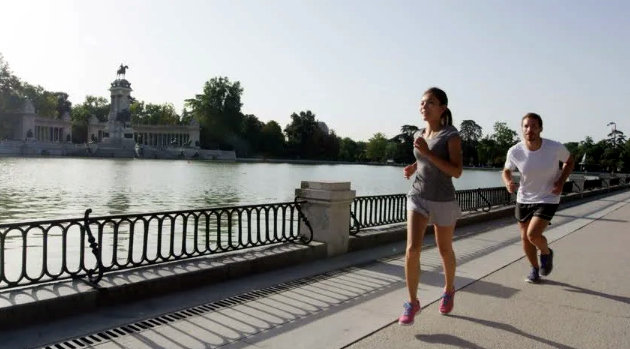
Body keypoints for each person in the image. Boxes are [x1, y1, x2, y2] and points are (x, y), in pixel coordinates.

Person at [399, 87, 463, 325]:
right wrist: (413, 167)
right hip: (418, 196)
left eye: (430, 103)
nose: (424, 106)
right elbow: (422, 158)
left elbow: (456, 171)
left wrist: (427, 153)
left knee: (444, 249)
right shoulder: (419, 133)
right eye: (422, 102)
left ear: (442, 108)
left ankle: (448, 290)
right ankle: (412, 302)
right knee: (412, 249)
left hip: (444, 200)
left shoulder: (451, 135)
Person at [502, 113, 575, 283]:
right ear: (522, 129)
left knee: (533, 235)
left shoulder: (554, 147)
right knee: (524, 237)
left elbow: (570, 161)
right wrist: (508, 182)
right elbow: (506, 170)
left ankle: (546, 253)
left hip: (548, 197)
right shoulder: (515, 151)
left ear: (540, 128)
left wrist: (561, 181)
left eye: (534, 126)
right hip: (524, 198)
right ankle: (534, 269)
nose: (530, 130)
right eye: (526, 126)